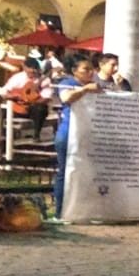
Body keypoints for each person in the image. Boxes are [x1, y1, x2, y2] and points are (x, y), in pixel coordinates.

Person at [52, 59, 100, 221]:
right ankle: (60, 212)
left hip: (87, 135)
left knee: (87, 173)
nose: (90, 72)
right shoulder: (67, 82)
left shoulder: (96, 86)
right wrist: (85, 89)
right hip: (68, 134)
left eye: (92, 69)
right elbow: (66, 98)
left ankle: (83, 211)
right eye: (85, 69)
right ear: (75, 71)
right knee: (65, 173)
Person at [3, 57, 51, 141]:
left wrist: (31, 101)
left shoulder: (44, 80)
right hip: (17, 108)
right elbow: (5, 91)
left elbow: (46, 97)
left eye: (34, 68)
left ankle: (36, 135)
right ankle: (3, 136)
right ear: (24, 67)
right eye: (29, 68)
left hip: (32, 109)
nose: (32, 70)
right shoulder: (17, 77)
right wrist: (14, 96)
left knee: (40, 109)